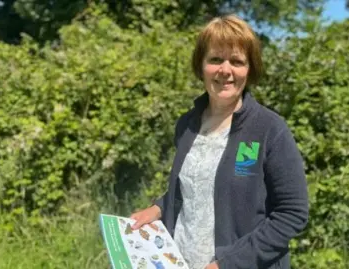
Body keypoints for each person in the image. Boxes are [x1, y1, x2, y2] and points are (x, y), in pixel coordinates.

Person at [130, 14, 309, 269]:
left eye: (236, 61)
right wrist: (158, 209)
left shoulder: (269, 130)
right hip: (182, 260)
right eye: (215, 59)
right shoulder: (187, 125)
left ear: (250, 69)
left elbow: (292, 214)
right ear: (201, 65)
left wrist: (226, 264)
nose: (225, 70)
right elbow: (195, 187)